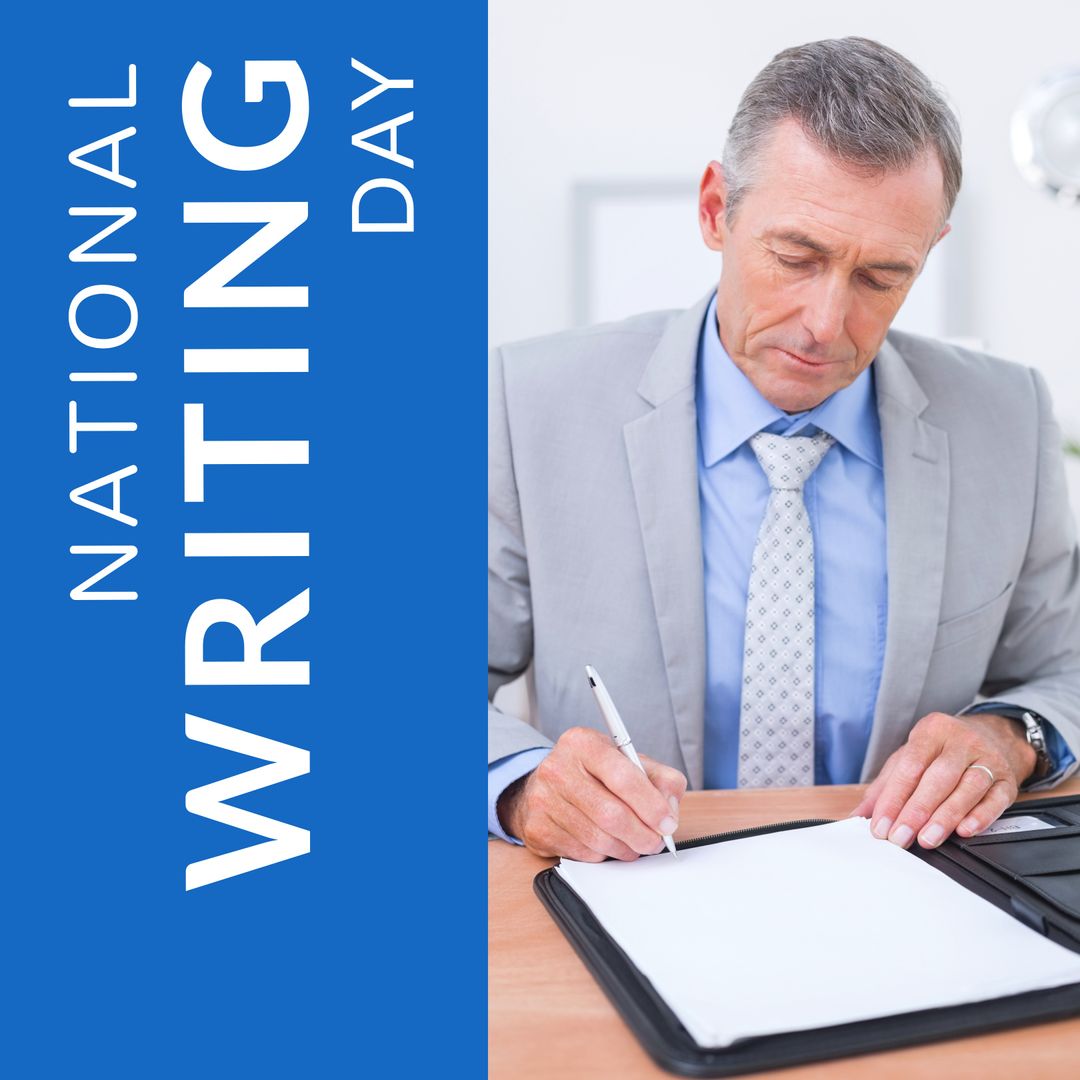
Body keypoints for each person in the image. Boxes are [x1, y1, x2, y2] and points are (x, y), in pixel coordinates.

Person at [488, 37, 1080, 862]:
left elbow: (1065, 669)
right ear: (713, 211)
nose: (826, 324)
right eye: (795, 257)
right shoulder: (529, 401)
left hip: (906, 899)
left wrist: (1009, 736)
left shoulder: (1006, 417)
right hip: (628, 897)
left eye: (881, 277)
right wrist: (519, 783)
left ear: (930, 251)